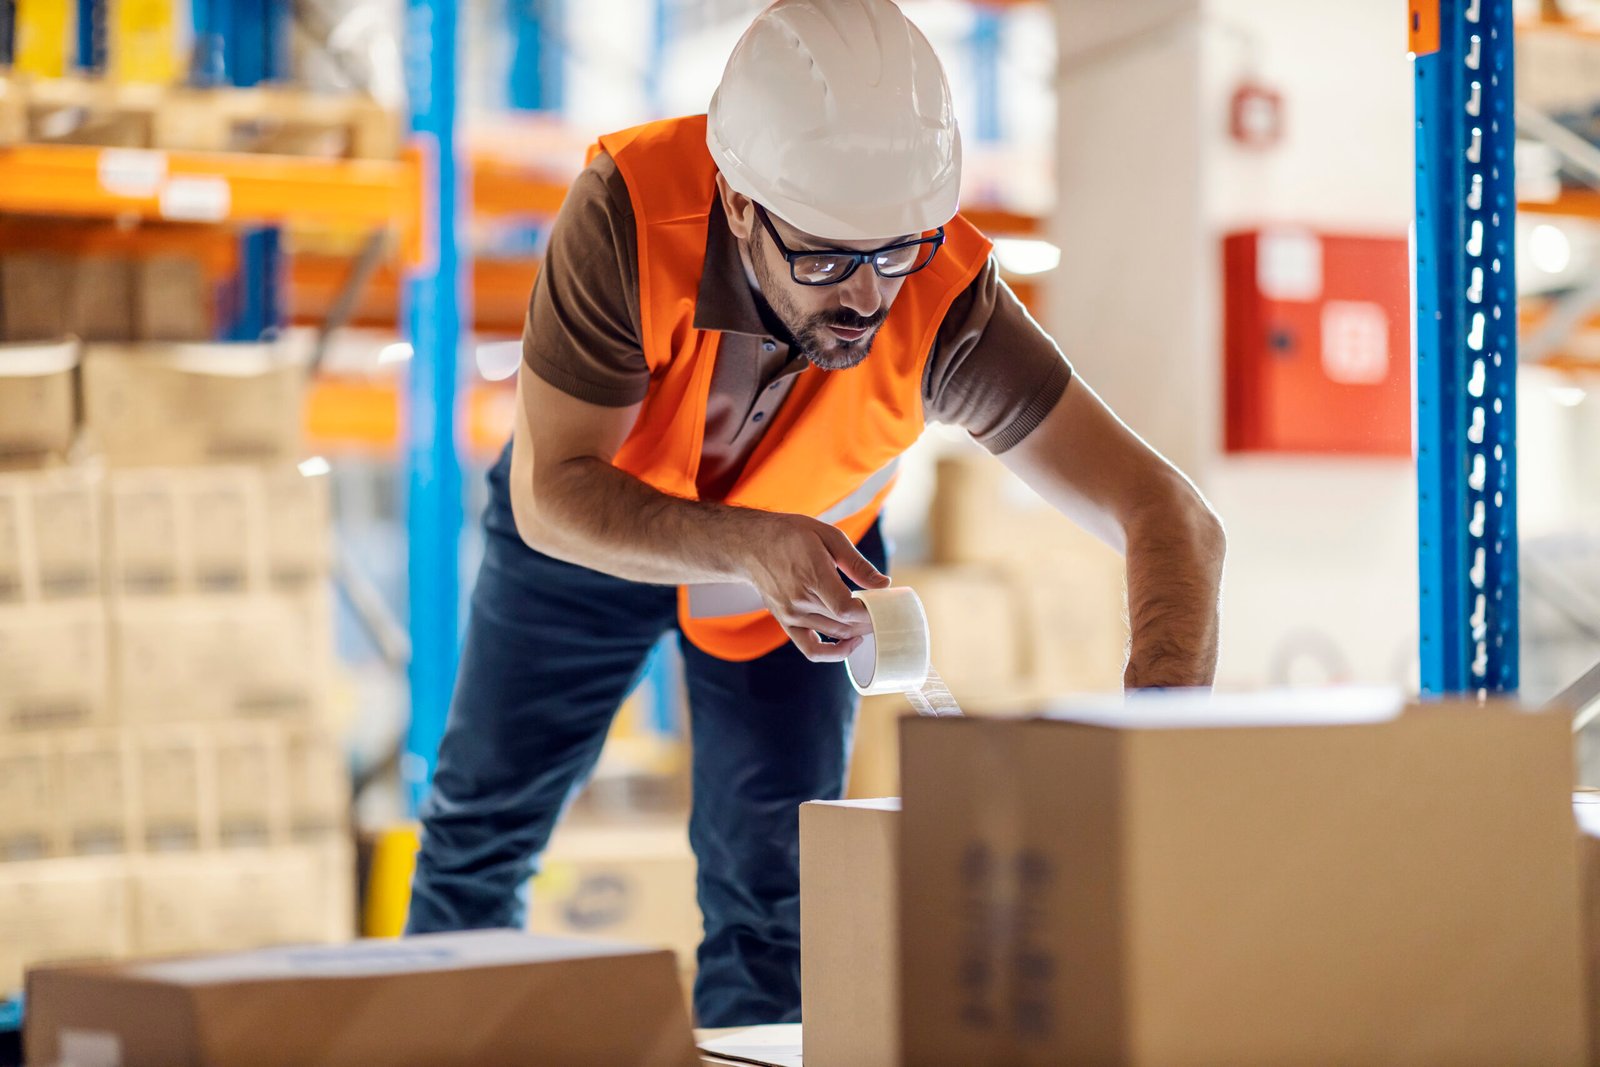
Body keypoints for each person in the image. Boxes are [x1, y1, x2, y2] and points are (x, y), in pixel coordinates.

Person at [406, 0, 1226, 1027]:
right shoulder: (628, 213)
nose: (867, 296)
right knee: (481, 830)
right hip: (592, 535)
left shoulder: (945, 298)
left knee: (773, 897)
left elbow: (1172, 519)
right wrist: (747, 542)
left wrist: (1157, 743)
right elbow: (552, 491)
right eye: (827, 257)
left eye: (894, 251)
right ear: (739, 204)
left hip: (805, 577)